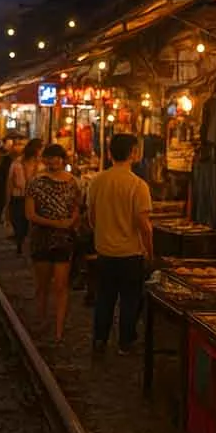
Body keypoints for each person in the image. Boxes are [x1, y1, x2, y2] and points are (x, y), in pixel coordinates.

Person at [86, 134, 154, 355]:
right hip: (130, 253)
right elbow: (144, 225)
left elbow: (91, 218)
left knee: (104, 297)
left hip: (104, 251)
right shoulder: (138, 185)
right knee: (130, 300)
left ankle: (99, 340)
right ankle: (125, 342)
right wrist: (150, 252)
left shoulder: (96, 181)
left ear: (109, 153)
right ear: (134, 153)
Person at [26, 144, 81, 343]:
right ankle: (41, 321)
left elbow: (76, 207)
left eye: (57, 158)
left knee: (61, 285)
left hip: (64, 239)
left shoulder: (73, 182)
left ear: (63, 159)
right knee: (42, 285)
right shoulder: (35, 183)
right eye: (49, 158)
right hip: (41, 238)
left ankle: (58, 328)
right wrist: (58, 223)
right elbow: (30, 214)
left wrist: (71, 221)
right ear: (44, 160)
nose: (53, 162)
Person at [6, 139, 41, 255]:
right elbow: (10, 182)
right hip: (18, 197)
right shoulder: (16, 163)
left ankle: (25, 245)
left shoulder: (41, 164)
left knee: (28, 223)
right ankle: (20, 244)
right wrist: (8, 201)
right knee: (19, 222)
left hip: (34, 198)